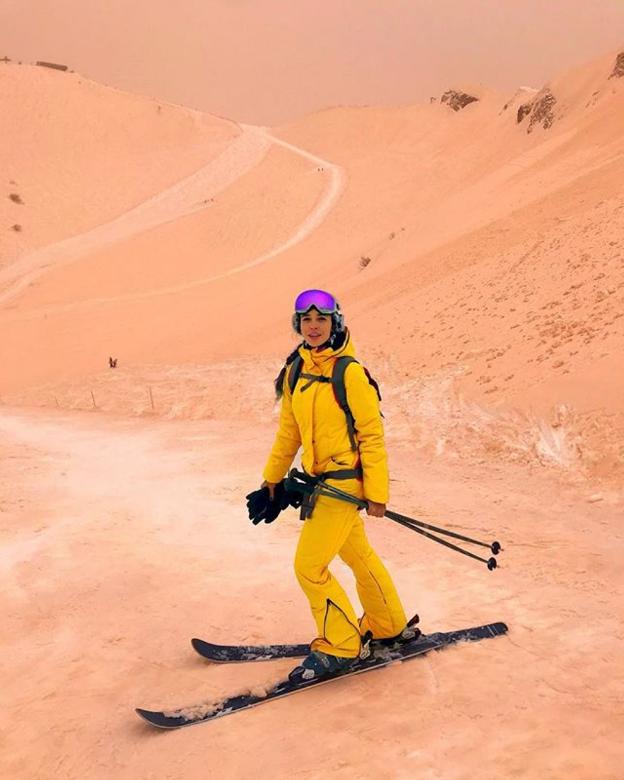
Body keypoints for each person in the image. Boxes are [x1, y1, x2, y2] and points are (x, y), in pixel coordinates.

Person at [261, 289, 412, 681]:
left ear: (335, 323)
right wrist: (272, 478)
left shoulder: (350, 373)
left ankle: (343, 644)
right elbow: (289, 431)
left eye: (321, 319)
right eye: (306, 320)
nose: (313, 326)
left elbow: (372, 435)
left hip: (343, 487)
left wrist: (377, 493)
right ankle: (388, 623)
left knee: (309, 566)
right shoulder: (297, 371)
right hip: (318, 483)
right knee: (358, 555)